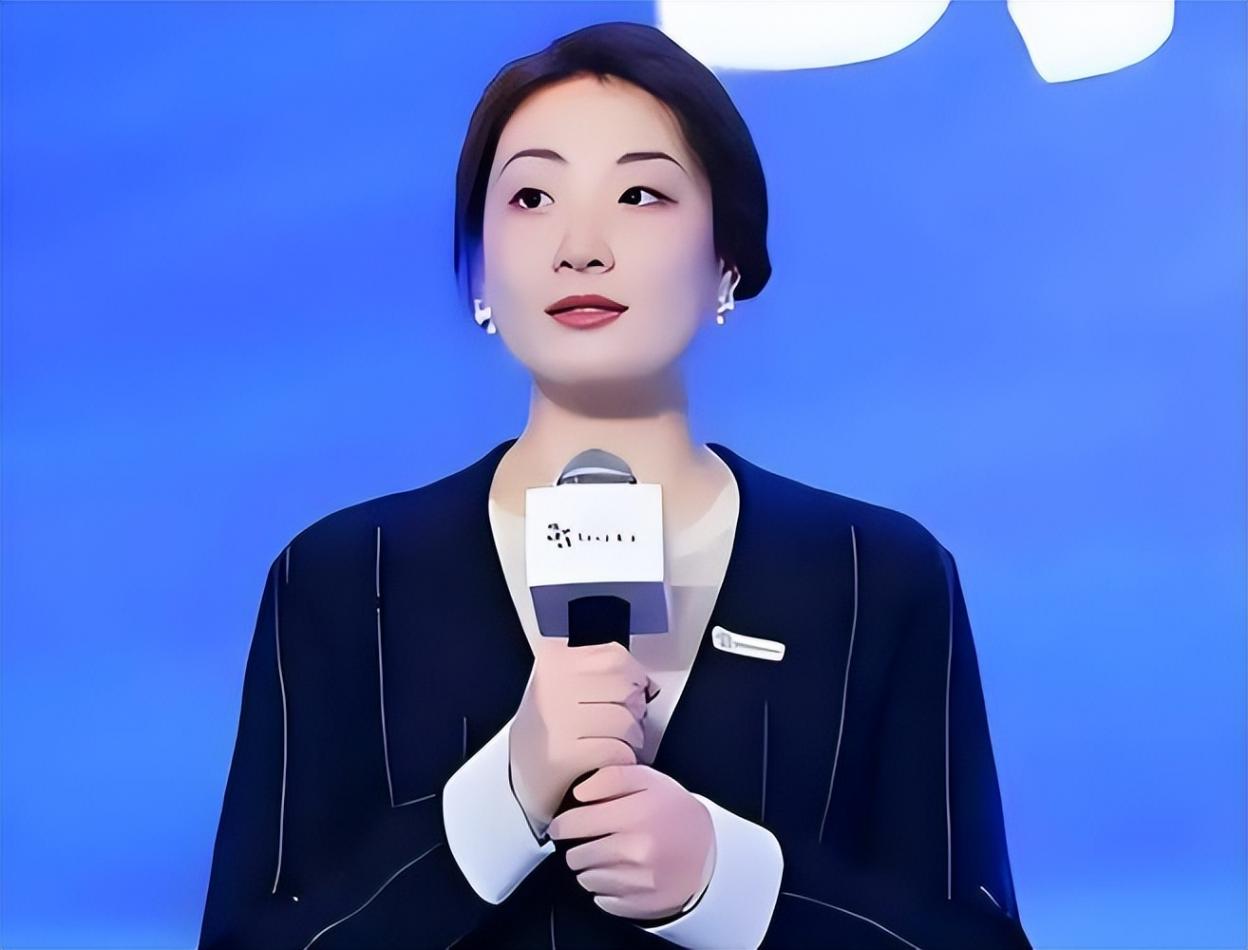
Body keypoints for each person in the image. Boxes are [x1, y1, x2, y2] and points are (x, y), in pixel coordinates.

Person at [198, 21, 1032, 950]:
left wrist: (729, 884)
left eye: (640, 194)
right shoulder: (344, 578)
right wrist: (503, 801)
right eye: (531, 197)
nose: (581, 246)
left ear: (728, 260)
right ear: (477, 270)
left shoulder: (877, 575)